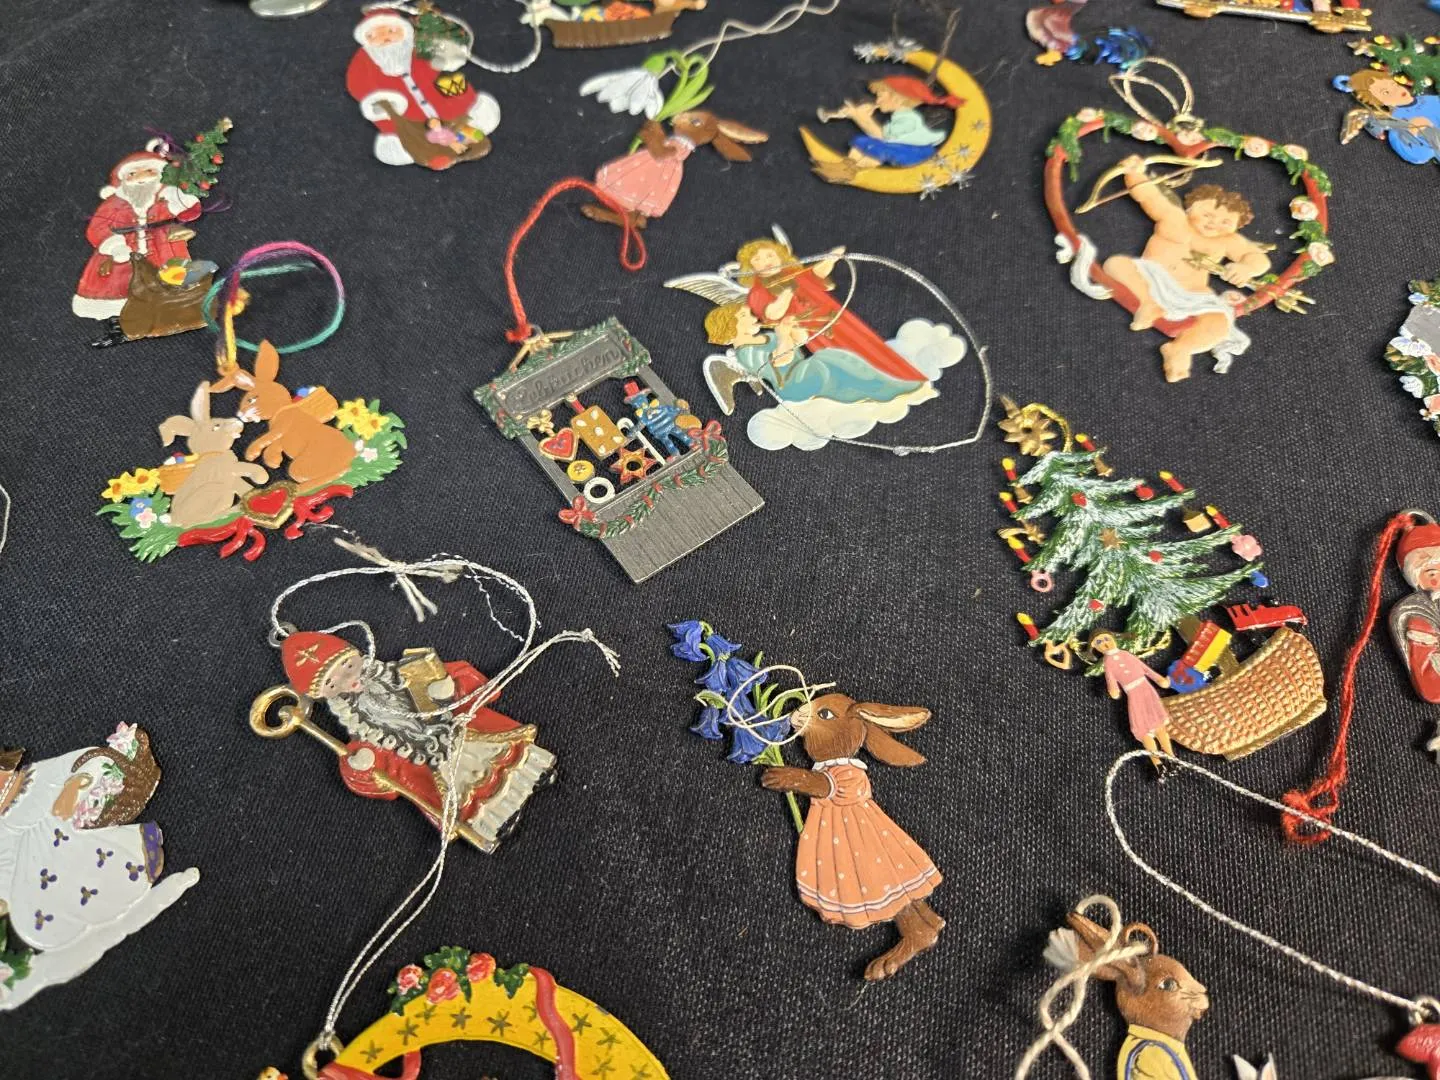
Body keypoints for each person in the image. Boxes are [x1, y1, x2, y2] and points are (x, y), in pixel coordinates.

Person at [280, 631, 555, 852]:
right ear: (323, 694)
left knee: (503, 754)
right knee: (466, 797)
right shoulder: (360, 729)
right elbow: (373, 776)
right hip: (428, 765)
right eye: (332, 683)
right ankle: (499, 820)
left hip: (461, 732)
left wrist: (448, 687)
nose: (349, 680)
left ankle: (537, 773)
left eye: (348, 667)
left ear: (357, 656)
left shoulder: (406, 675)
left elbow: (461, 680)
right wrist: (361, 764)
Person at [0, 724, 199, 1011]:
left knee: (81, 857)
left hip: (76, 848)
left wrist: (74, 786)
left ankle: (121, 889)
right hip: (40, 881)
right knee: (33, 915)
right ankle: (78, 926)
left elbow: (92, 760)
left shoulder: (36, 777)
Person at [1100, 159, 1268, 382]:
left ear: (1235, 227)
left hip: (1192, 294)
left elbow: (1259, 259)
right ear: (1190, 207)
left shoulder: (1228, 241)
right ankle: (1149, 304)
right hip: (1150, 278)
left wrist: (1246, 268)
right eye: (1207, 215)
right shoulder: (1174, 218)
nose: (1214, 223)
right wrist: (1134, 173)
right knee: (1115, 264)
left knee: (1218, 321)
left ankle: (1181, 350)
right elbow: (1149, 196)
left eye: (1226, 222)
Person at [737, 237, 929, 384]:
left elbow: (817, 273)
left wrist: (832, 258)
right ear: (750, 267)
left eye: (770, 255)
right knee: (843, 359)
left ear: (781, 256)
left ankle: (906, 377)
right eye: (758, 259)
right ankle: (873, 386)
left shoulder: (794, 273)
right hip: (814, 331)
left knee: (868, 345)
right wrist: (786, 296)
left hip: (837, 318)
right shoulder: (757, 292)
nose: (766, 261)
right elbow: (772, 314)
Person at [72, 148, 203, 347]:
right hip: (122, 254)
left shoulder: (165, 196)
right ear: (123, 179)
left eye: (149, 171)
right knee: (117, 292)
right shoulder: (113, 204)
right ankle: (119, 329)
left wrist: (180, 200)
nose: (141, 178)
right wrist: (114, 245)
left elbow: (189, 212)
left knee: (169, 285)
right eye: (133, 174)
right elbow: (96, 228)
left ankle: (168, 320)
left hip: (161, 250)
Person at [345, 8, 500, 169]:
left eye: (391, 31)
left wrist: (443, 60)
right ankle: (434, 156)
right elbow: (356, 83)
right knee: (413, 137)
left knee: (460, 122)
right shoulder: (363, 62)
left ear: (404, 32)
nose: (384, 38)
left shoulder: (417, 49)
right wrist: (380, 99)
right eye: (374, 35)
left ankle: (474, 142)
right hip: (408, 116)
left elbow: (437, 61)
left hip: (443, 103)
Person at [701, 303, 925, 414]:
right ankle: (883, 388)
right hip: (791, 385)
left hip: (805, 370)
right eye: (744, 315)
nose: (752, 317)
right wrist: (783, 336)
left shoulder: (768, 335)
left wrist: (794, 326)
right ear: (730, 326)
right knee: (828, 359)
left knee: (837, 363)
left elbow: (801, 341)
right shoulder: (745, 353)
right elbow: (781, 361)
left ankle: (883, 387)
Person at [815, 76, 958, 183]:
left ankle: (851, 171)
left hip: (913, 153)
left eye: (879, 96)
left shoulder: (908, 118)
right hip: (900, 147)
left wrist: (859, 116)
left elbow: (882, 136)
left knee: (876, 148)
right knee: (861, 141)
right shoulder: (898, 116)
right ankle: (844, 166)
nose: (877, 101)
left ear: (898, 98)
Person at [1091, 632, 1176, 773]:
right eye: (1099, 642)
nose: (1105, 643)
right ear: (1095, 646)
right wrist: (1114, 689)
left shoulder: (1126, 654)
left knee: (1159, 726)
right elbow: (1110, 678)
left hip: (1147, 690)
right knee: (1144, 731)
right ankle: (1157, 763)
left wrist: (1159, 679)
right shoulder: (1108, 662)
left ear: (1113, 638)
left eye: (1106, 639)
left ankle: (1171, 757)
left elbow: (1144, 668)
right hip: (1133, 695)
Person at [1343, 69, 1440, 166]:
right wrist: (1415, 130)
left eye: (1394, 85)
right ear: (1378, 102)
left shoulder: (1431, 99)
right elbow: (1420, 155)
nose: (1396, 91)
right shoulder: (1396, 122)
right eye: (1386, 92)